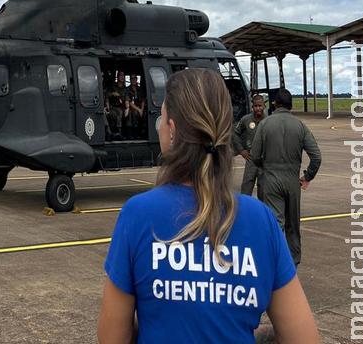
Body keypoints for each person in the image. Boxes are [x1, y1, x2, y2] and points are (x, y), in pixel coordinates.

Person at [98, 69, 319, 343]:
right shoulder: (260, 220)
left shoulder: (137, 214)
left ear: (172, 130)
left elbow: (111, 337)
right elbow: (304, 338)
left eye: (163, 118)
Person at [250, 88, 321, 266]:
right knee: (293, 226)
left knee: (274, 224)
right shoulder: (300, 126)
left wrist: (264, 167)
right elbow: (316, 156)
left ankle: (271, 263)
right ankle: (293, 264)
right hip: (292, 180)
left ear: (275, 104)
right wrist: (307, 176)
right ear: (291, 105)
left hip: (271, 179)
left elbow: (255, 155)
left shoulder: (264, 125)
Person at [232, 94, 266, 196]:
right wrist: (241, 150)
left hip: (264, 160)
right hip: (250, 159)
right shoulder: (246, 119)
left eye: (260, 106)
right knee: (246, 187)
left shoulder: (269, 120)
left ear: (264, 106)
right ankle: (245, 209)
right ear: (252, 107)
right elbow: (235, 133)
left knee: (263, 190)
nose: (258, 108)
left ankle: (261, 210)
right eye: (256, 106)